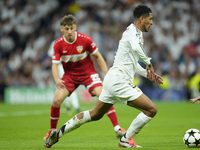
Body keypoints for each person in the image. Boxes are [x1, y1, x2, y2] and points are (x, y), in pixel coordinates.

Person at [44, 5, 163, 148]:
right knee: (151, 109)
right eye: (150, 19)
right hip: (119, 81)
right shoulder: (132, 32)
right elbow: (137, 49)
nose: (152, 22)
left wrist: (148, 74)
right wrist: (149, 63)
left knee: (94, 114)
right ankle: (125, 139)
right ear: (142, 19)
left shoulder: (135, 34)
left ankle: (58, 133)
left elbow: (132, 64)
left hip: (112, 79)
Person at [44, 14, 126, 141]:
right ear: (62, 29)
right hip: (70, 76)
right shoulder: (58, 44)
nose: (69, 31)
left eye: (71, 28)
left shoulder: (85, 40)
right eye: (66, 28)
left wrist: (107, 74)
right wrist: (56, 79)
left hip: (88, 73)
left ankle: (117, 128)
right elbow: (55, 65)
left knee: (104, 95)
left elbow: (98, 56)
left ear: (75, 27)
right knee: (56, 101)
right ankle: (52, 131)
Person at [47, 39, 80, 114]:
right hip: (62, 67)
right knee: (69, 86)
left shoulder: (55, 42)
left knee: (64, 87)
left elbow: (50, 54)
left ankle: (68, 106)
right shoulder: (65, 42)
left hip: (60, 67)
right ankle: (76, 106)